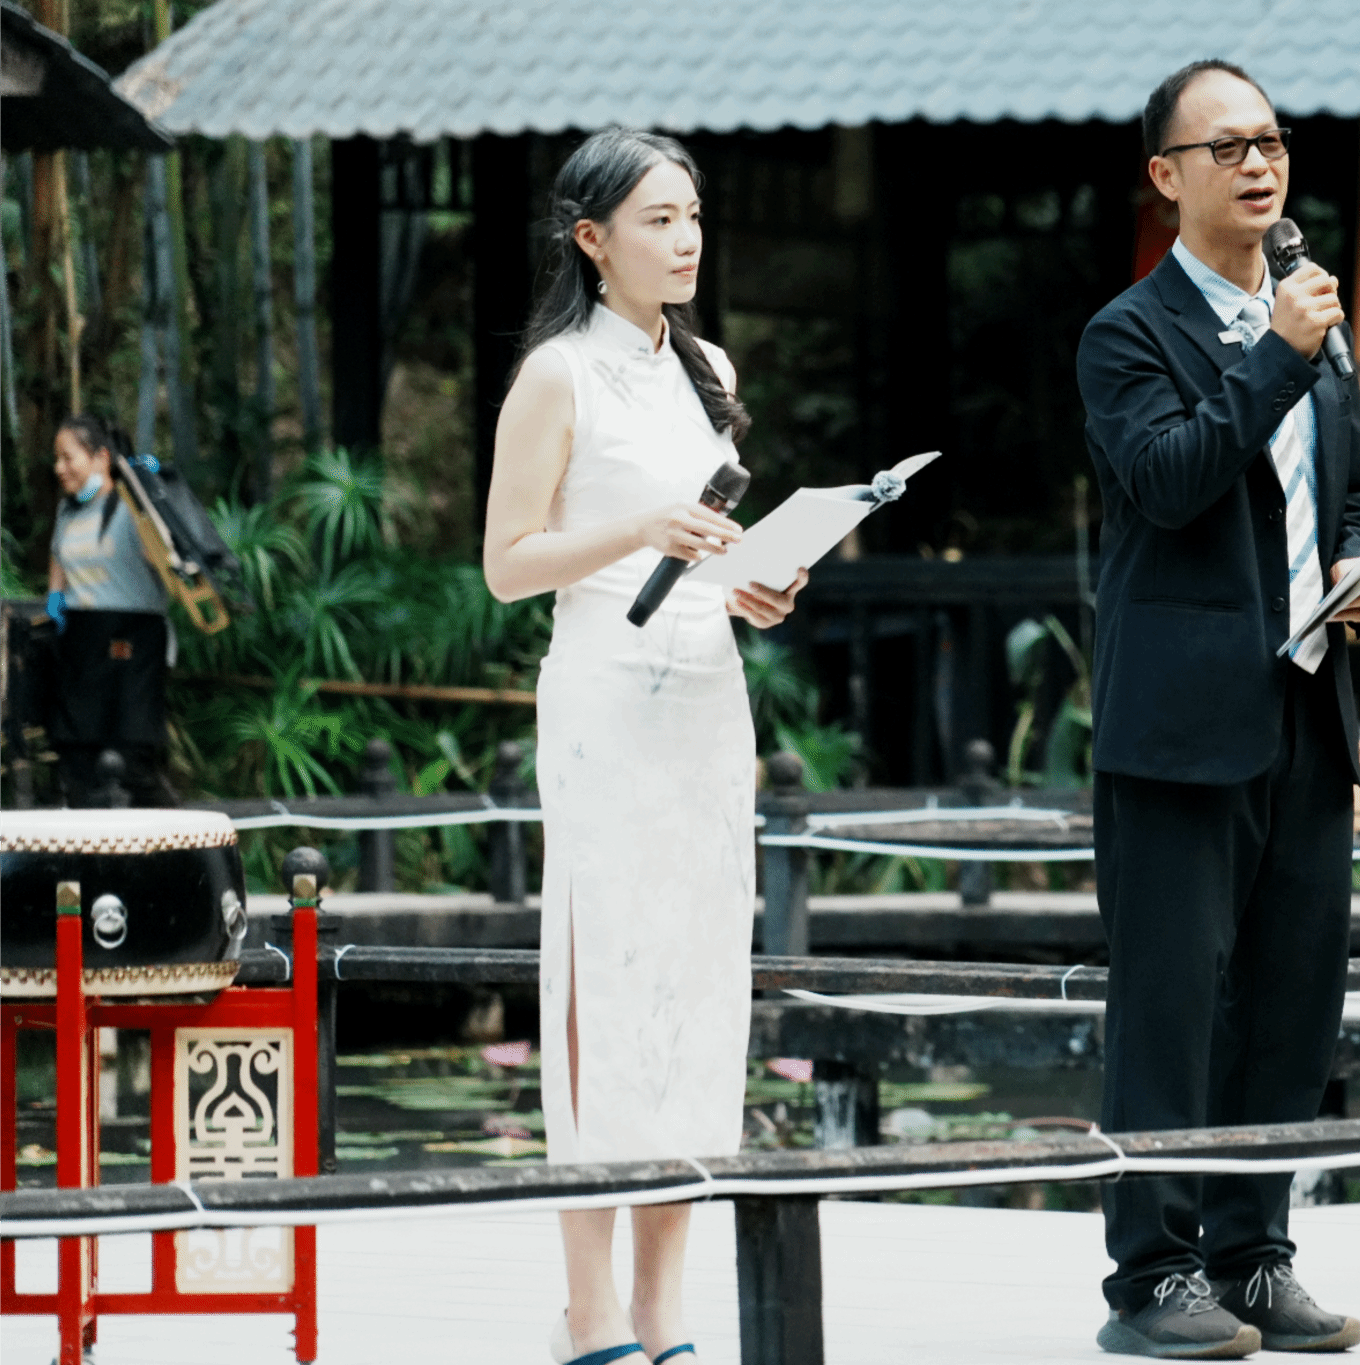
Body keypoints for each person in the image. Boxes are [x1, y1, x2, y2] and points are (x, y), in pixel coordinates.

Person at [1075, 60, 1360, 1360]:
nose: (1258, 165)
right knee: (1169, 1004)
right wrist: (1278, 356)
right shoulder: (1127, 334)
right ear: (1165, 177)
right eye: (1226, 148)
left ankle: (1254, 1259)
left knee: (1290, 1000)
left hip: (1308, 705)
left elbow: (1346, 489)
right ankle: (1151, 1277)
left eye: (1271, 141)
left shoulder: (1309, 318)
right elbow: (1169, 480)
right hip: (1178, 724)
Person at [481, 128, 806, 1365]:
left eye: (693, 216)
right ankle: (589, 1310)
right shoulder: (556, 375)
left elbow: (707, 558)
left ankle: (666, 1306)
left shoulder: (709, 366)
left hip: (707, 699)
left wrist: (759, 586)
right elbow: (507, 566)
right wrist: (637, 528)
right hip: (604, 702)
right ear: (591, 239)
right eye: (658, 220)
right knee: (603, 986)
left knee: (700, 988)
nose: (685, 240)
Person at [45, 413, 178, 806]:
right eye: (57, 459)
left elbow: (169, 560)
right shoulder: (67, 511)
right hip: (80, 640)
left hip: (132, 639)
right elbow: (58, 555)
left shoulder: (131, 508)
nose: (59, 468)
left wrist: (150, 493)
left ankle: (169, 834)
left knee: (131, 755)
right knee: (77, 754)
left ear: (101, 458)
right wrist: (55, 595)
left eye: (68, 457)